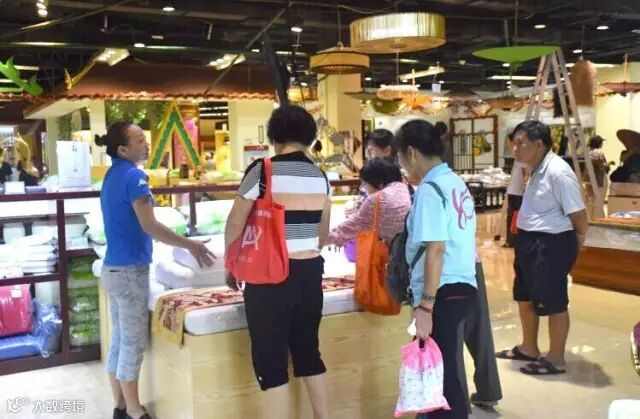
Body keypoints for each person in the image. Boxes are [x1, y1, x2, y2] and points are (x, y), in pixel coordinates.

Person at [96, 121, 215, 419]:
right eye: (139, 140)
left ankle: (120, 405)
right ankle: (135, 411)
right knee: (132, 343)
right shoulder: (135, 177)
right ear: (123, 149)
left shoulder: (111, 175)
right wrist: (190, 245)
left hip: (113, 269)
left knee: (119, 340)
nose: (146, 143)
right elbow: (149, 225)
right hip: (129, 271)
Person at [224, 105, 331, 419]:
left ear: (274, 137)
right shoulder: (321, 176)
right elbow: (322, 233)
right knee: (308, 352)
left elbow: (235, 222)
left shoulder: (262, 170)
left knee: (271, 361)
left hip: (270, 276)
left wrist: (231, 262)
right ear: (309, 137)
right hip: (310, 273)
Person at [396, 119, 478, 419]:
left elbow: (436, 249)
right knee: (444, 368)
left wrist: (426, 306)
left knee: (438, 375)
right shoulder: (454, 181)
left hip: (441, 289)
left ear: (411, 153)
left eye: (401, 158)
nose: (403, 166)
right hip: (462, 284)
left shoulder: (430, 189)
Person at [496, 120, 587, 376]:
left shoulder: (558, 172)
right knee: (524, 296)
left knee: (554, 301)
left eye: (520, 143)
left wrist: (577, 241)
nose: (515, 149)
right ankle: (529, 348)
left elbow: (578, 214)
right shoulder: (534, 167)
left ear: (538, 144)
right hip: (529, 241)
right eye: (514, 143)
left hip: (550, 243)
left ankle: (556, 358)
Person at [327, 157, 411, 247]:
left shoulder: (376, 199)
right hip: (407, 247)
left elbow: (345, 229)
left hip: (389, 251)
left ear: (379, 184)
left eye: (364, 184)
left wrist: (318, 240)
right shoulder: (404, 188)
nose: (363, 188)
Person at [506, 132, 527, 248]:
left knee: (516, 216)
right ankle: (511, 240)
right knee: (512, 216)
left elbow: (525, 175)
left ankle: (514, 240)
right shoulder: (518, 155)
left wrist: (526, 187)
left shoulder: (522, 156)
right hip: (514, 191)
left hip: (519, 192)